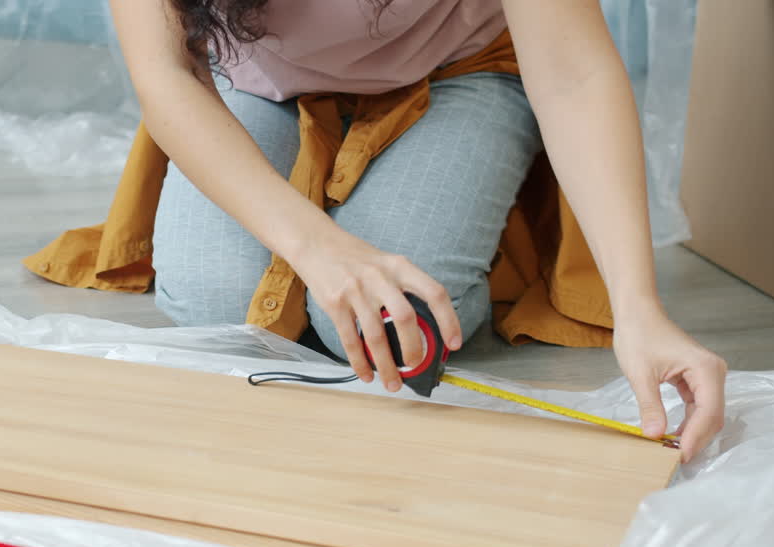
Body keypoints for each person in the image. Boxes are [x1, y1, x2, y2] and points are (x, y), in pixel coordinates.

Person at [104, 0, 726, 460]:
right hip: (260, 77)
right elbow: (169, 75)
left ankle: (479, 208)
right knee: (217, 300)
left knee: (405, 327)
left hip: (460, 66)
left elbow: (573, 75)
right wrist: (317, 247)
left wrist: (639, 308)